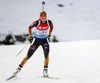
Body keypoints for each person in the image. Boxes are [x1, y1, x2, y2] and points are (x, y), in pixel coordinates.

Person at [13, 11, 53, 77]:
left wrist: (49, 35)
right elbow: (29, 27)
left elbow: (51, 28)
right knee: (29, 55)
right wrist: (30, 37)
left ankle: (45, 70)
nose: (44, 19)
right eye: (42, 18)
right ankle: (18, 69)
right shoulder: (37, 22)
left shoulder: (49, 22)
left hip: (45, 40)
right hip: (37, 40)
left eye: (45, 18)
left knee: (46, 54)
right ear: (40, 18)